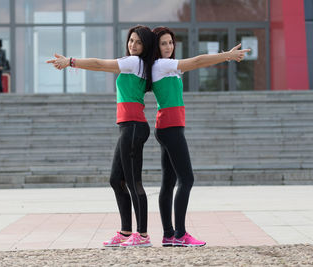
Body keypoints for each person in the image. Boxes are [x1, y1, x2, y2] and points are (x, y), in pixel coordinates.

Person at [47, 25, 156, 248]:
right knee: (116, 180)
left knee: (134, 182)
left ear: (145, 46)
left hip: (134, 127)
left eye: (138, 42)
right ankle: (126, 232)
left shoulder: (134, 62)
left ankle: (142, 235)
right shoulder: (134, 63)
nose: (132, 45)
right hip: (128, 127)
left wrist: (71, 61)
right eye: (130, 40)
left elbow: (99, 64)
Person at [152, 26, 249, 247]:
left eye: (170, 42)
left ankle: (169, 235)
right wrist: (227, 56)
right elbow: (197, 61)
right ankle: (180, 235)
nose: (168, 47)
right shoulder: (161, 65)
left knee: (169, 183)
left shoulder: (170, 68)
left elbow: (196, 63)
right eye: (163, 43)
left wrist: (225, 56)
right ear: (156, 48)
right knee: (187, 179)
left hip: (168, 126)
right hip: (171, 128)